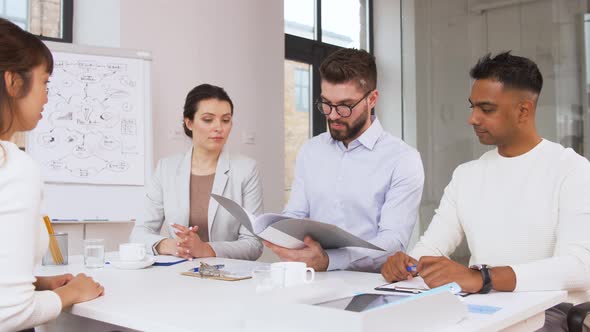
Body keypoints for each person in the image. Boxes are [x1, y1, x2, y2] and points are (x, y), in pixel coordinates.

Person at [381, 52, 590, 331]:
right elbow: (431, 248)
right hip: (479, 306)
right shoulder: (466, 175)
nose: (473, 119)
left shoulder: (572, 170)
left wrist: (484, 277)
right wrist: (406, 264)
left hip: (548, 311)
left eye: (486, 109)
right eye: (472, 107)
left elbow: (579, 268)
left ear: (523, 111)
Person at [264, 48, 424, 272]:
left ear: (372, 99)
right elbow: (296, 214)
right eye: (326, 103)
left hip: (369, 287)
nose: (333, 115)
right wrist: (275, 232)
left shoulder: (402, 159)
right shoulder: (311, 150)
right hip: (309, 279)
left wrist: (330, 261)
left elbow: (393, 241)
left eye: (345, 106)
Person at [0, 18, 103, 331]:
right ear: (13, 82)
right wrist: (70, 293)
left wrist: (35, 284)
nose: (47, 95)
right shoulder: (12, 165)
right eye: (45, 82)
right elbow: (9, 315)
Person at [130, 84, 263, 261]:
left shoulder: (246, 169)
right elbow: (139, 233)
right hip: (178, 274)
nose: (219, 127)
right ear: (189, 122)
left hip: (228, 277)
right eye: (208, 120)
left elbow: (253, 244)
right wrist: (171, 245)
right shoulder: (166, 168)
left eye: (225, 120)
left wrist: (205, 249)